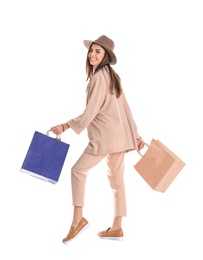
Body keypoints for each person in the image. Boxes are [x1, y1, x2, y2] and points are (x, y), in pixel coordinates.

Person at [50, 35, 144, 243]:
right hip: (119, 137)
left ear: (106, 56)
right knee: (116, 181)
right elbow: (126, 109)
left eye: (97, 51)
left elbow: (90, 113)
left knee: (77, 170)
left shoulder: (99, 77)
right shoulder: (112, 76)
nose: (92, 54)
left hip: (105, 138)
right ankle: (117, 226)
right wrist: (135, 134)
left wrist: (64, 126)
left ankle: (77, 220)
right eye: (91, 50)